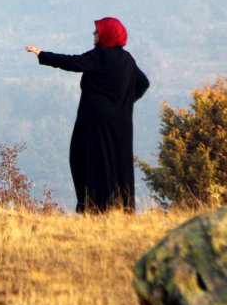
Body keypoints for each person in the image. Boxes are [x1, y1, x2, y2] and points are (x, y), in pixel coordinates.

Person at [25, 17, 150, 213]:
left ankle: (93, 207)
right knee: (116, 163)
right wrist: (121, 104)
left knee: (85, 157)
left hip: (95, 121)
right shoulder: (127, 59)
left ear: (107, 34)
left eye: (97, 32)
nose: (94, 35)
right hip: (120, 123)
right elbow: (143, 83)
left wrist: (42, 54)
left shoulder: (102, 56)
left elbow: (73, 62)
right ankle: (120, 208)